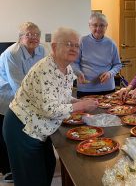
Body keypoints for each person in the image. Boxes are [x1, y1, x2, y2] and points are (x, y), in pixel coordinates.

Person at [3, 27, 99, 186]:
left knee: (48, 167)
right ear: (54, 47)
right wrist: (81, 105)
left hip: (39, 129)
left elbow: (61, 96)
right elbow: (50, 109)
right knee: (31, 179)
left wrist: (77, 102)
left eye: (77, 45)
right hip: (23, 128)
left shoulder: (67, 69)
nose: (74, 49)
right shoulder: (44, 70)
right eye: (69, 44)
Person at [0, 22, 45, 183]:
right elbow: (19, 86)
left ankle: (25, 167)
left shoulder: (41, 50)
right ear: (20, 38)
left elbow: (42, 75)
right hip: (7, 97)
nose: (34, 37)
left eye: (36, 35)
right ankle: (9, 171)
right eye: (29, 34)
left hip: (29, 97)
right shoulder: (12, 54)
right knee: (10, 136)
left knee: (25, 134)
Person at [72, 12, 122, 98]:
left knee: (109, 111)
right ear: (89, 26)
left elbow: (117, 64)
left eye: (102, 25)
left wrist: (110, 73)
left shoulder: (111, 43)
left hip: (107, 88)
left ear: (106, 26)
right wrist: (78, 73)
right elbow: (74, 62)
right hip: (85, 88)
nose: (98, 29)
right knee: (84, 112)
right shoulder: (82, 41)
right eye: (95, 25)